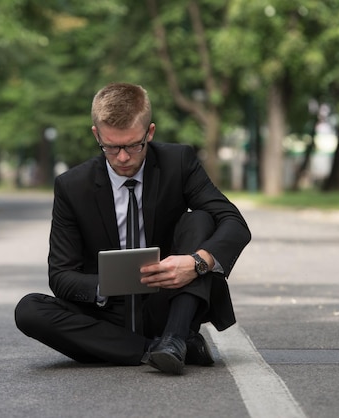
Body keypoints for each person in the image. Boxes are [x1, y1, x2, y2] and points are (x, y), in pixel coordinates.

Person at [15, 82, 251, 375]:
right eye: (111, 147)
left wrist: (196, 263)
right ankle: (154, 348)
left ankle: (175, 337)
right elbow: (61, 274)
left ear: (149, 132)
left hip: (168, 298)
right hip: (105, 312)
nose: (123, 157)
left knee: (199, 219)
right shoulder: (72, 186)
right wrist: (107, 284)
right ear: (96, 134)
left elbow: (234, 223)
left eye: (133, 145)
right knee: (29, 310)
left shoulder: (178, 162)